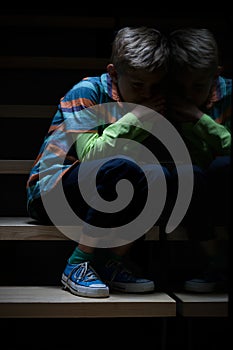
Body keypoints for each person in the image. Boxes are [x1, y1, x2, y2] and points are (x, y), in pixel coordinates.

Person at [26, 26, 172, 298]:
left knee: (158, 174)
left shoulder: (146, 101)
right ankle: (78, 264)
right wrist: (136, 118)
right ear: (114, 73)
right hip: (50, 191)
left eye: (154, 86)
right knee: (121, 167)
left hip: (100, 189)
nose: (146, 94)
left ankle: (112, 264)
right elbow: (91, 155)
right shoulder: (86, 92)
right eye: (138, 85)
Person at [168, 27, 231, 292]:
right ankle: (217, 263)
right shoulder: (166, 101)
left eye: (197, 86)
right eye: (180, 86)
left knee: (223, 167)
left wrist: (198, 119)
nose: (189, 95)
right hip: (194, 189)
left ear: (215, 76)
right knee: (189, 175)